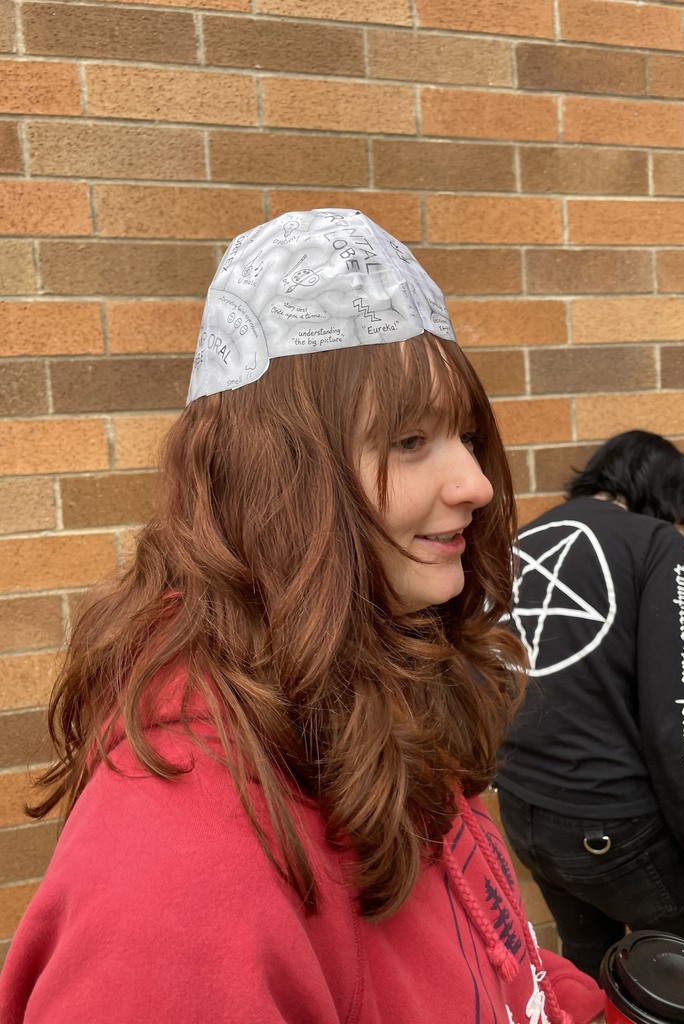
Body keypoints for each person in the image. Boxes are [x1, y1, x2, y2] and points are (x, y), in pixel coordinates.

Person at [0, 209, 605, 1024]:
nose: (476, 484)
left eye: (463, 433)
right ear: (278, 481)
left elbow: (499, 963)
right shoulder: (178, 864)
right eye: (408, 441)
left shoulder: (372, 694)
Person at [495, 431, 684, 995]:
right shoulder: (653, 542)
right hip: (615, 823)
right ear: (664, 497)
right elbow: (679, 710)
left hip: (527, 813)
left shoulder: (524, 541)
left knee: (587, 980)